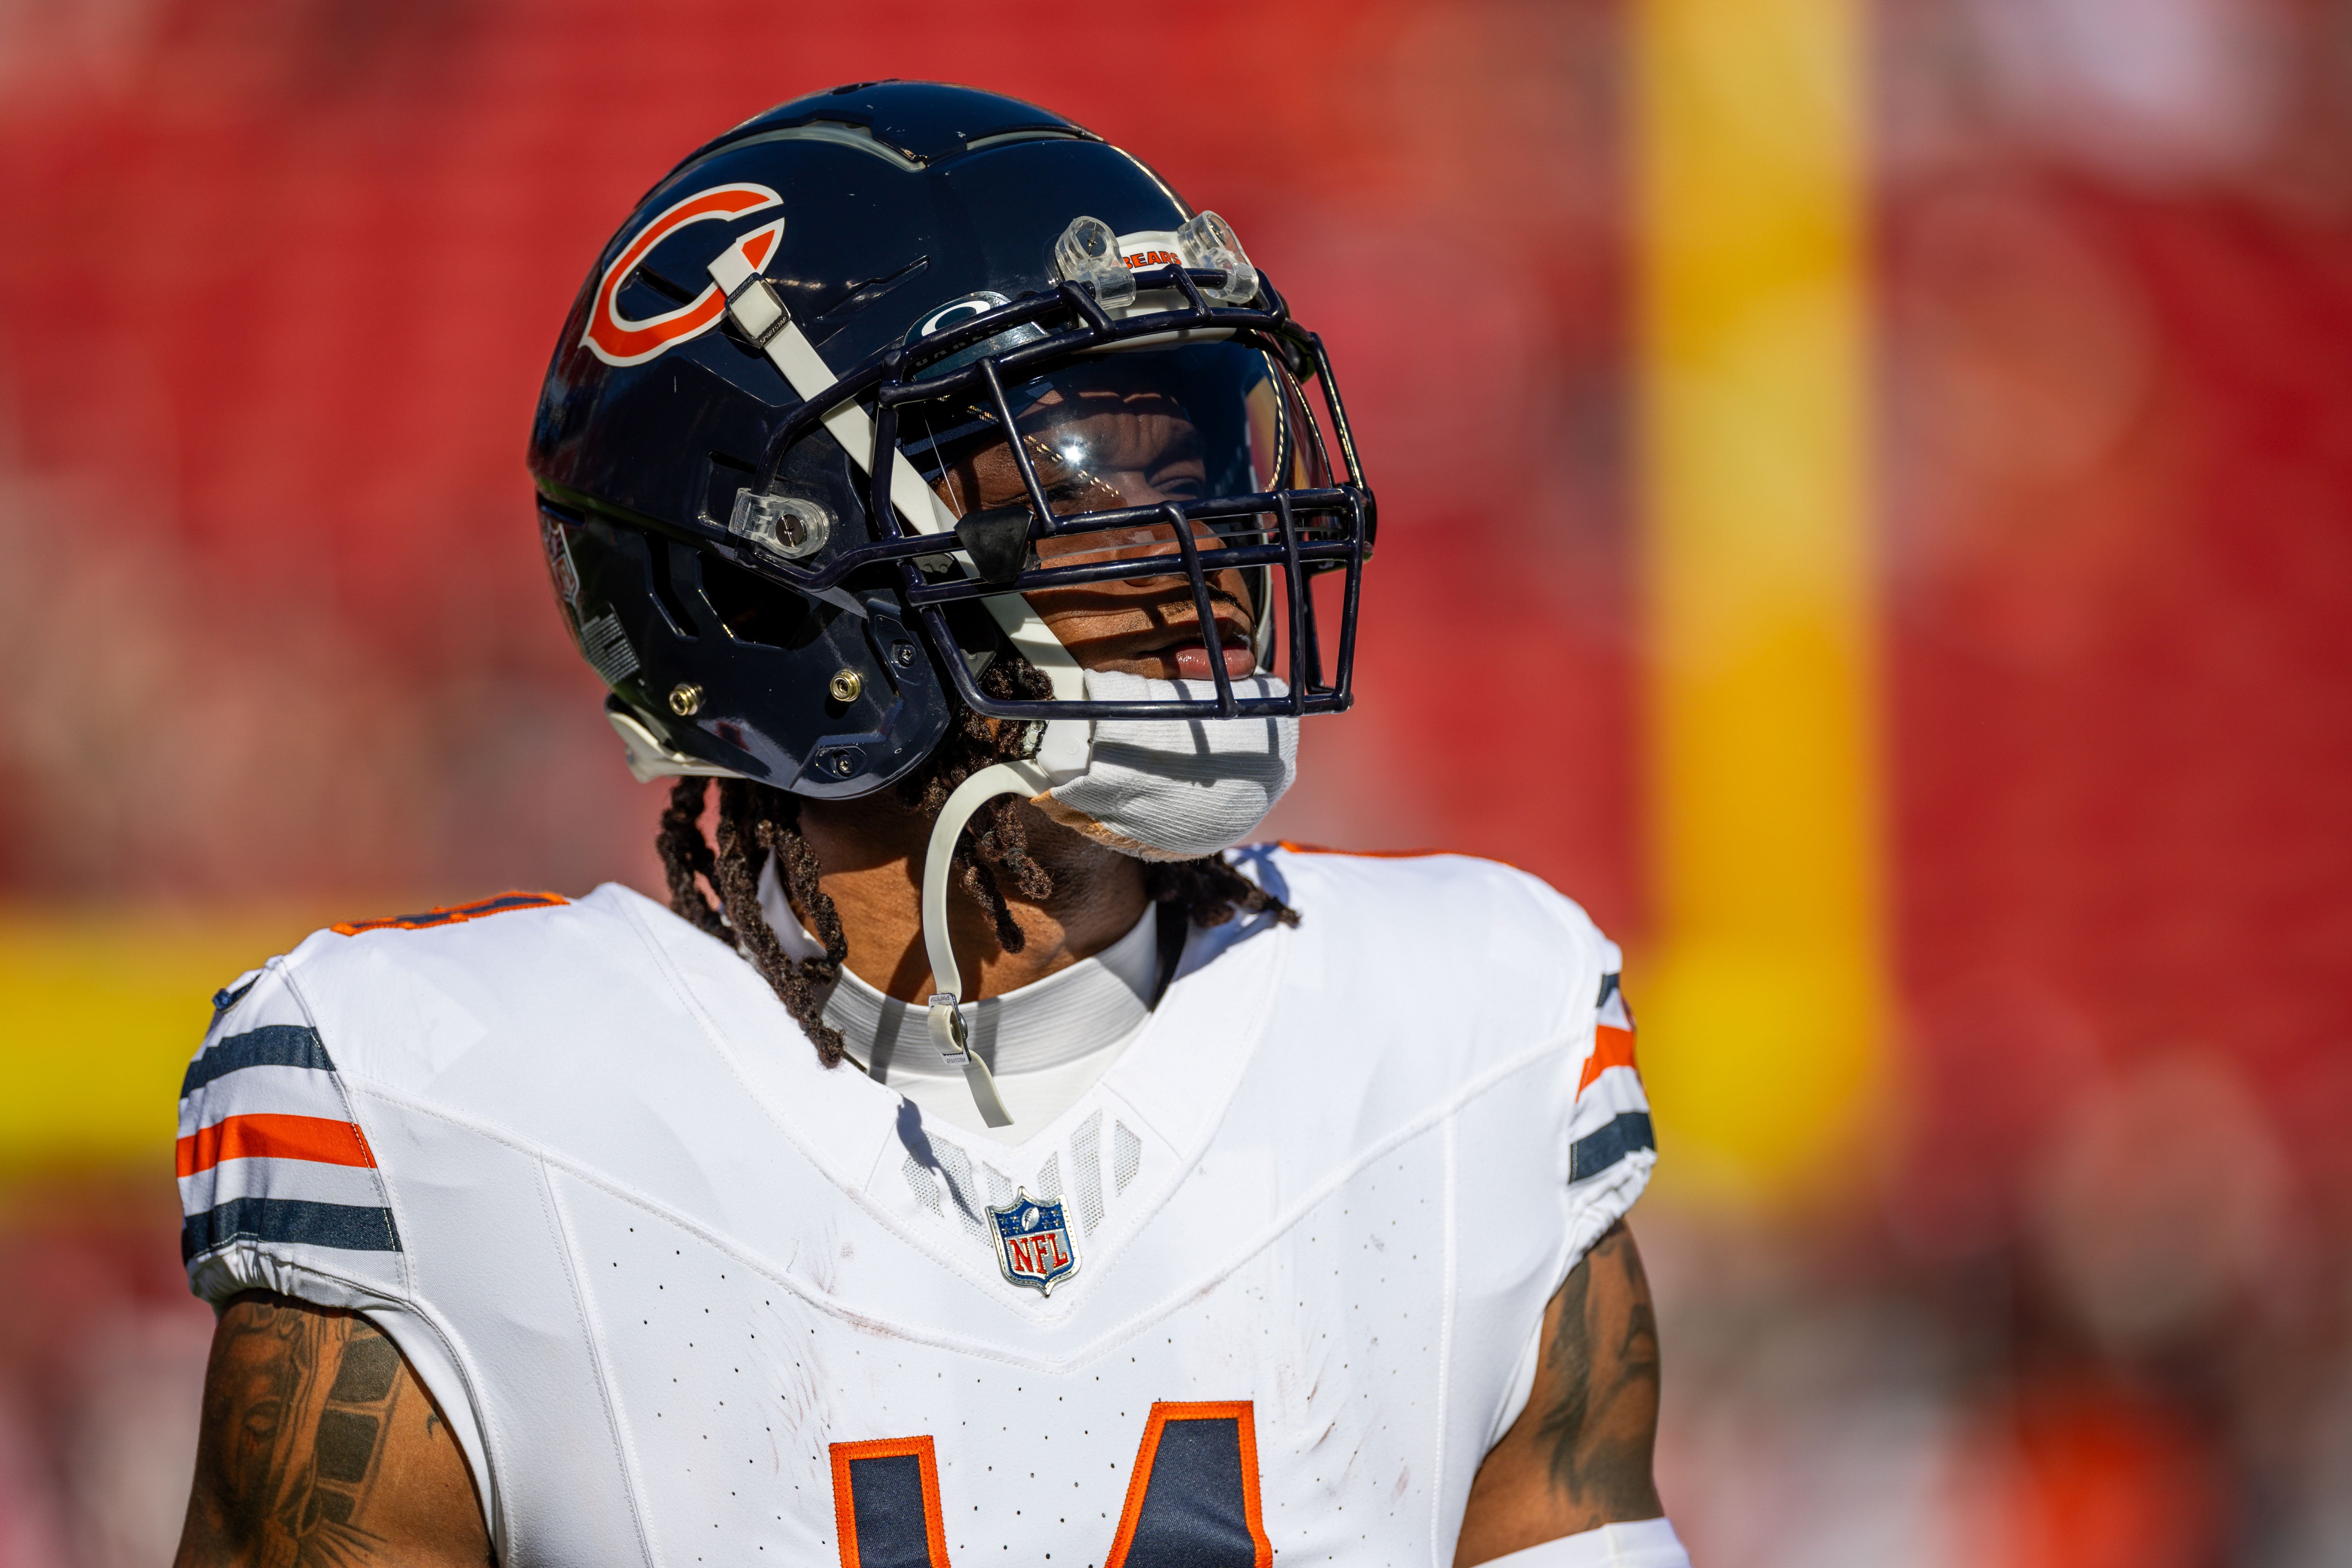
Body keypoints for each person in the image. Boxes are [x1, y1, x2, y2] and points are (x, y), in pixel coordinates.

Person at [169, 82, 1686, 1568]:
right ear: (775, 569)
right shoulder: (455, 1098)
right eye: (1087, 478)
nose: (1212, 560)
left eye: (1207, 467)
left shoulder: (1471, 1037)